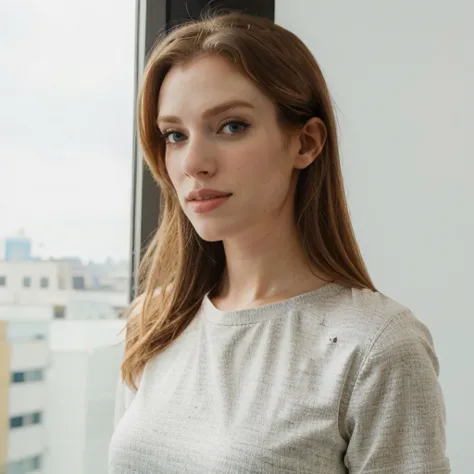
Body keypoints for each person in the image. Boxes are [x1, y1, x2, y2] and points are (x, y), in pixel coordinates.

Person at [108, 11, 450, 474]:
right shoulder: (153, 321)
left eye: (231, 126)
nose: (193, 163)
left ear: (305, 143)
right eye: (174, 135)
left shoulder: (377, 347)